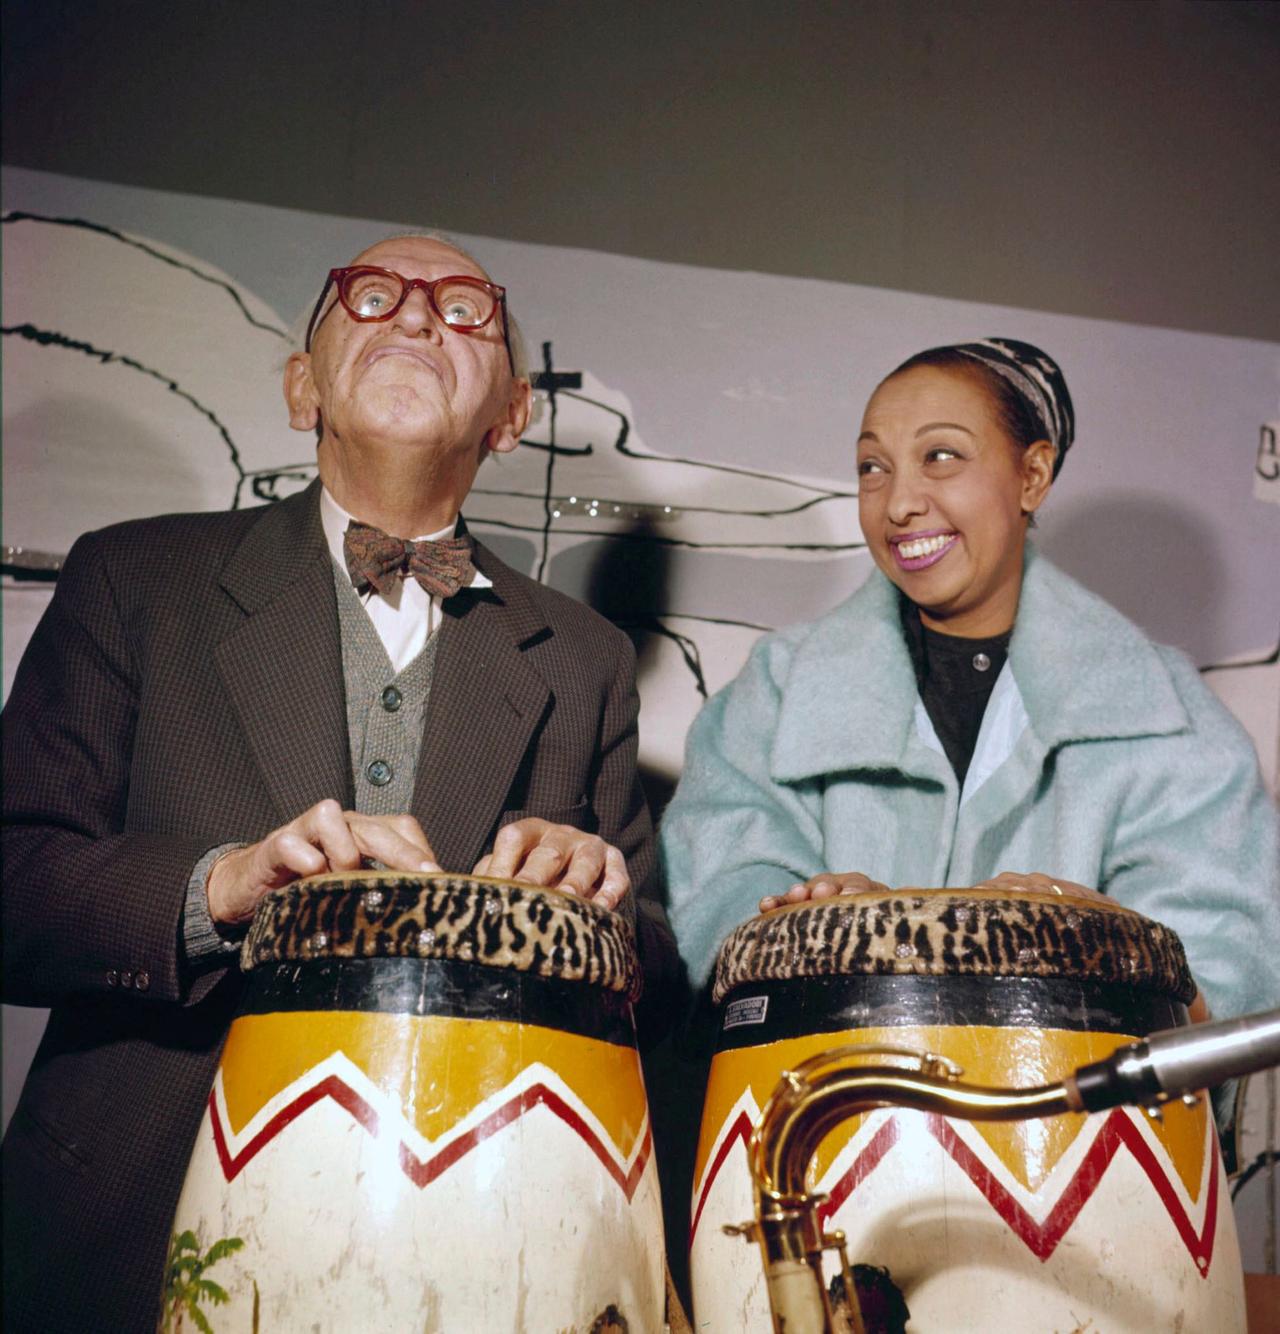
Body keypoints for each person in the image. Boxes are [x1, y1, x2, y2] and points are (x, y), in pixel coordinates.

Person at [1, 234, 679, 1332]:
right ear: (300, 385)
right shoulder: (131, 578)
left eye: (464, 309)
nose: (415, 317)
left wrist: (599, 915)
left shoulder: (585, 657)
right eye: (372, 296)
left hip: (464, 1240)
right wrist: (217, 887)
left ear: (509, 416)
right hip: (120, 1223)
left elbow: (652, 972)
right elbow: (11, 881)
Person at [662, 338, 1279, 1030]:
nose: (899, 503)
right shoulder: (777, 692)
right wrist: (821, 934)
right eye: (873, 467)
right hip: (821, 1118)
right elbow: (718, 915)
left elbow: (1224, 985)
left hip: (1075, 1132)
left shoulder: (1164, 715)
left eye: (941, 456)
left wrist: (1098, 943)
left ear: (1033, 475)